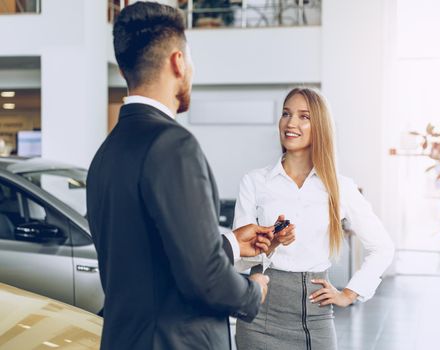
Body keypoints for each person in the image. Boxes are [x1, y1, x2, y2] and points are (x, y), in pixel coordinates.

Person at [86, 2, 293, 350]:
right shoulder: (173, 145)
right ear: (178, 62)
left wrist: (229, 244)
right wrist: (251, 292)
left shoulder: (106, 153)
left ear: (124, 70)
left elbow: (152, 262)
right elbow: (205, 279)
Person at [234, 87, 395, 350]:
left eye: (303, 116)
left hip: (316, 317)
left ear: (319, 125)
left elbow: (383, 247)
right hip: (259, 315)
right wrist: (270, 246)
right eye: (286, 114)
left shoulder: (339, 187)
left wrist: (349, 294)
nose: (291, 123)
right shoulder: (254, 182)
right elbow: (239, 261)